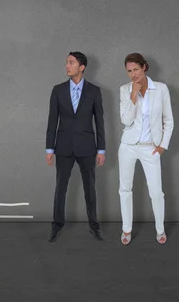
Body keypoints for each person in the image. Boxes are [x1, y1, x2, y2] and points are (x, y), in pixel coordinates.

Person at [45, 52, 106, 242]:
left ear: (82, 67)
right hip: (63, 147)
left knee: (90, 188)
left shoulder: (94, 91)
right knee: (60, 188)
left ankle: (94, 226)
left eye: (71, 62)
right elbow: (52, 122)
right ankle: (56, 226)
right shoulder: (58, 90)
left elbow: (100, 122)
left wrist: (101, 150)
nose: (67, 65)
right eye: (66, 62)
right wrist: (49, 149)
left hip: (87, 147)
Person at [118, 53, 173, 245]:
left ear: (144, 67)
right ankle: (126, 229)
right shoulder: (125, 90)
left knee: (156, 192)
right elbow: (126, 120)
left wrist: (162, 145)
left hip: (151, 148)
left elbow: (169, 120)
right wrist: (133, 94)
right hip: (128, 147)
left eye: (135, 69)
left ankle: (160, 229)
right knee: (125, 189)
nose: (133, 74)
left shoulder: (161, 89)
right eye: (129, 71)